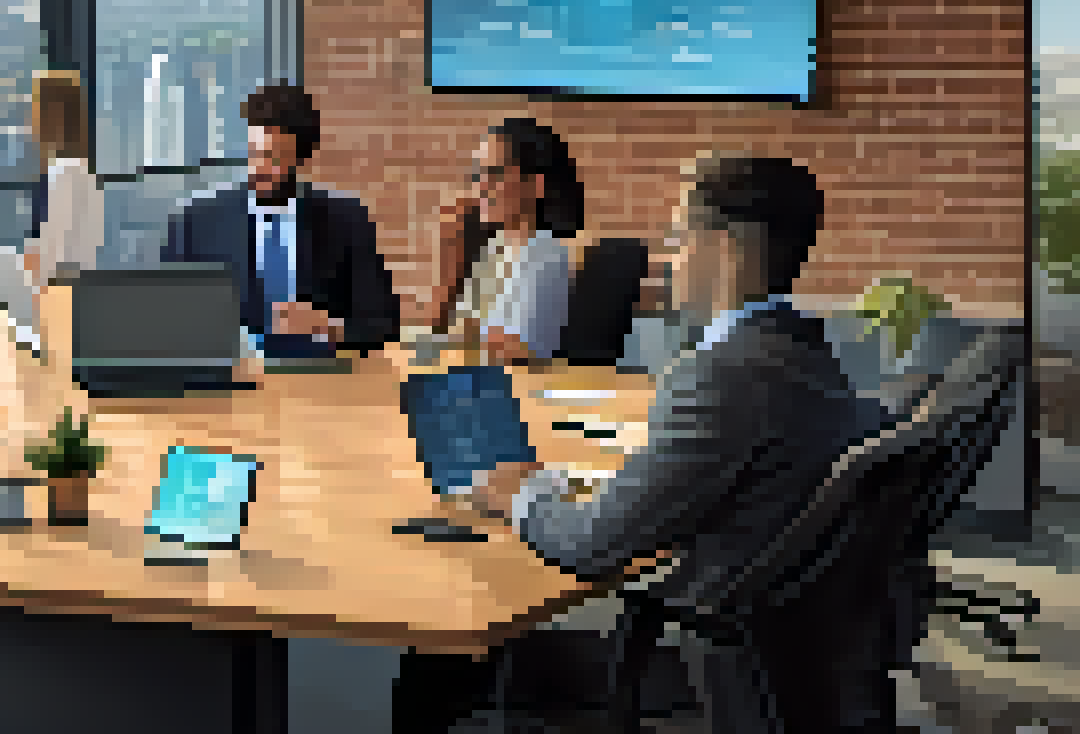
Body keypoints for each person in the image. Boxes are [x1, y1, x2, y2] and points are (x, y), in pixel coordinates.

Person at [467, 156, 897, 731]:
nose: (669, 258)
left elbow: (590, 544)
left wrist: (520, 493)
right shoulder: (803, 349)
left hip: (716, 658)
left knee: (458, 669)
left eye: (677, 237)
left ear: (722, 247)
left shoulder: (727, 374)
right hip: (788, 645)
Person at [161, 81, 398, 356]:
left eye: (273, 157)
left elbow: (384, 325)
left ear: (302, 157)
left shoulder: (347, 220)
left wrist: (332, 327)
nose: (258, 168)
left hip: (320, 384)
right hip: (229, 382)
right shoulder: (194, 223)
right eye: (253, 153)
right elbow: (167, 323)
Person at [427, 116, 584, 365]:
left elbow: (520, 349)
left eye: (495, 173)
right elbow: (454, 329)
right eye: (478, 174)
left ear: (535, 184)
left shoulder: (547, 252)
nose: (482, 186)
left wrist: (457, 339)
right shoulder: (494, 248)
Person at [1, 69, 104, 344]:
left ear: (51, 114)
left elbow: (52, 256)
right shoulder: (81, 170)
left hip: (57, 309)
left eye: (34, 107)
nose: (29, 118)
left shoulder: (64, 172)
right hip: (71, 305)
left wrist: (23, 266)